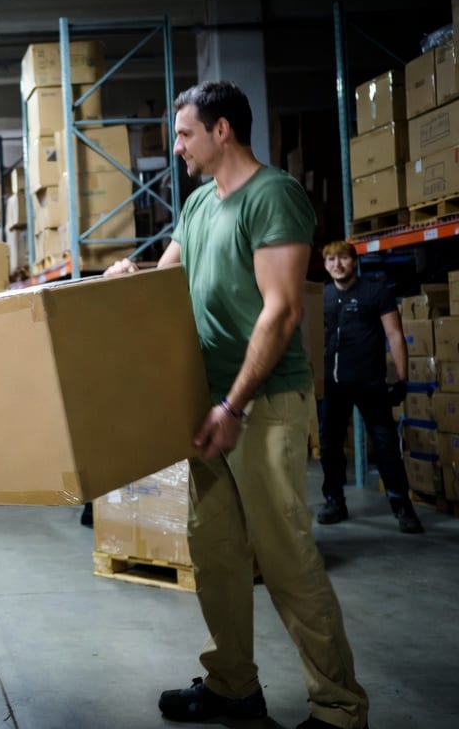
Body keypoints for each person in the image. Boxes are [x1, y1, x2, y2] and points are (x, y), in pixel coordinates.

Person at [107, 82, 368, 729]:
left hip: (263, 404)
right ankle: (231, 685)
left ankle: (339, 709)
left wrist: (233, 405)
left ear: (223, 131)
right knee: (216, 553)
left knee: (285, 558)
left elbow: (279, 314)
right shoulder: (199, 205)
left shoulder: (273, 196)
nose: (177, 146)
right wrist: (128, 277)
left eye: (186, 133)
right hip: (209, 405)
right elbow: (170, 275)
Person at [319, 241, 422, 533]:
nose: (336, 264)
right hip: (332, 385)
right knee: (329, 446)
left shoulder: (375, 291)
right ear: (326, 265)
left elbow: (395, 334)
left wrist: (402, 379)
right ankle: (334, 501)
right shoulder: (323, 297)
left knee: (386, 445)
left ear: (354, 261)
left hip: (370, 383)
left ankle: (402, 506)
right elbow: (309, 339)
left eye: (342, 258)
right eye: (330, 260)